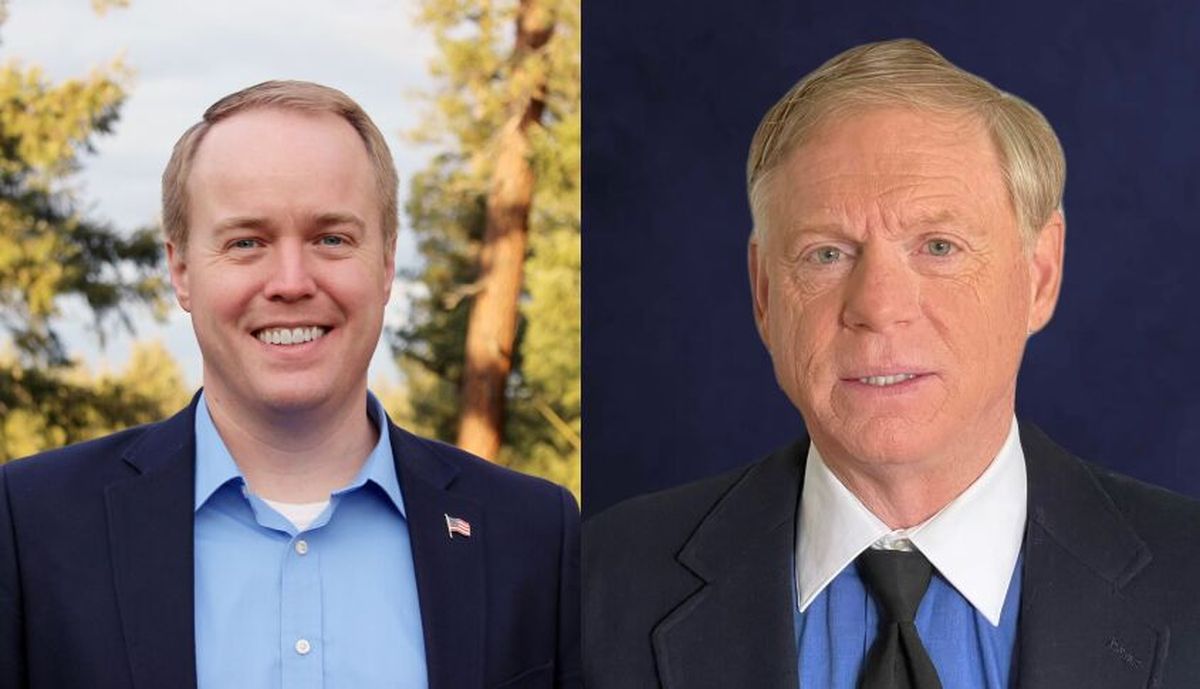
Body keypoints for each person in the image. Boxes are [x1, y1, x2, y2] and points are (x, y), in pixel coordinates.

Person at [583, 39, 1200, 689]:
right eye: (826, 254)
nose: (877, 307)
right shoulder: (596, 586)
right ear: (764, 293)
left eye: (938, 245)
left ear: (1040, 275)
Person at [0, 80, 580, 689]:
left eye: (331, 238)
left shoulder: (535, 533)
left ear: (385, 264)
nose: (291, 281)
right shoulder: (29, 527)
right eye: (246, 242)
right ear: (181, 270)